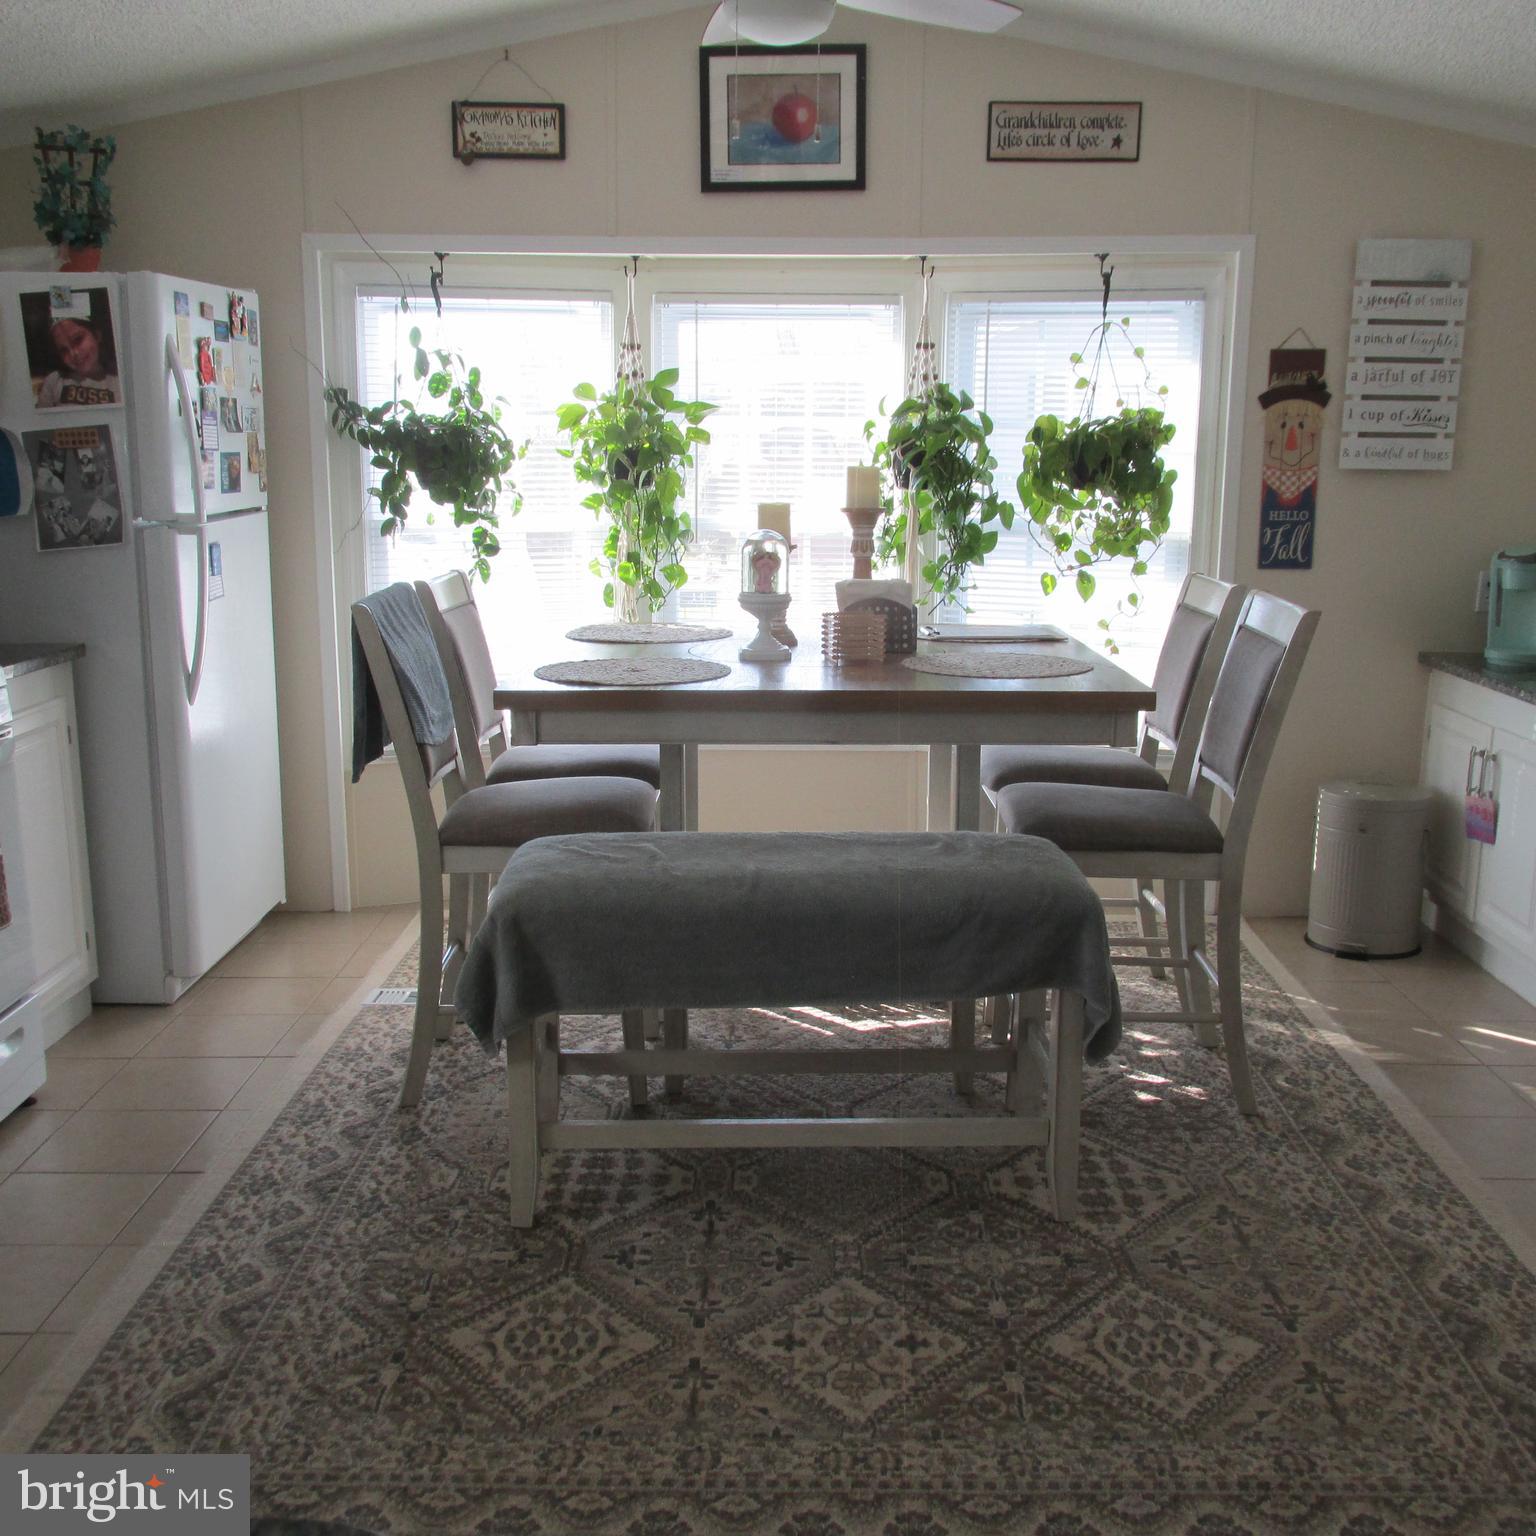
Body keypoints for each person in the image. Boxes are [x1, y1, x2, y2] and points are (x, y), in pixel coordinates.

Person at [35, 314, 120, 408]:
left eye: (78, 340)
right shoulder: (54, 381)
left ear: (97, 335)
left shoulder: (119, 380)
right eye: (64, 350)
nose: (73, 353)